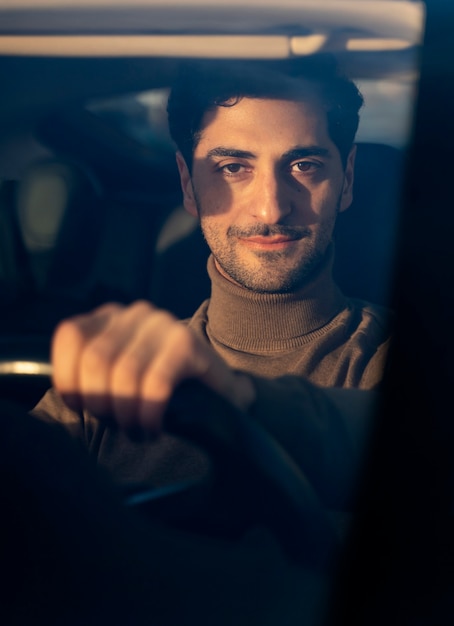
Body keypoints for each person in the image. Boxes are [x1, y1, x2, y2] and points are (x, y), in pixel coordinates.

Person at [32, 58, 392, 508]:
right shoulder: (108, 379)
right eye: (233, 167)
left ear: (347, 179)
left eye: (304, 165)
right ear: (187, 183)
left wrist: (238, 398)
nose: (271, 209)